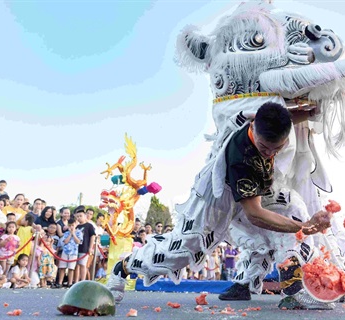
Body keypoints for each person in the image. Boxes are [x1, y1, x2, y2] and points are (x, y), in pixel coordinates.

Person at [107, 102, 332, 304]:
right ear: (253, 130)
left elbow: (280, 117)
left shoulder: (259, 119)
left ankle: (270, 286)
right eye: (265, 148)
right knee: (182, 249)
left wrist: (307, 112)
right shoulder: (244, 159)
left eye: (277, 148)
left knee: (291, 207)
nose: (270, 153)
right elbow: (255, 215)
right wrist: (304, 228)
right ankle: (124, 267)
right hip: (215, 202)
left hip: (250, 197)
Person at [55, 218, 82, 288]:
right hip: (65, 251)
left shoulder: (79, 232)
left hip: (73, 252)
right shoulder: (66, 233)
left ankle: (70, 283)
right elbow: (65, 241)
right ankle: (60, 282)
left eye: (73, 225)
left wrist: (74, 234)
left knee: (71, 268)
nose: (71, 227)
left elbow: (78, 241)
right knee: (62, 267)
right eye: (70, 225)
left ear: (75, 224)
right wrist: (70, 234)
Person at [74, 207, 96, 283]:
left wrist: (90, 247)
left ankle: (82, 281)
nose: (79, 218)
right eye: (77, 216)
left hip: (84, 248)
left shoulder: (89, 226)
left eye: (80, 216)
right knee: (76, 265)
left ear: (84, 216)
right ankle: (76, 281)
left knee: (83, 264)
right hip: (75, 248)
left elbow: (92, 236)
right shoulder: (76, 226)